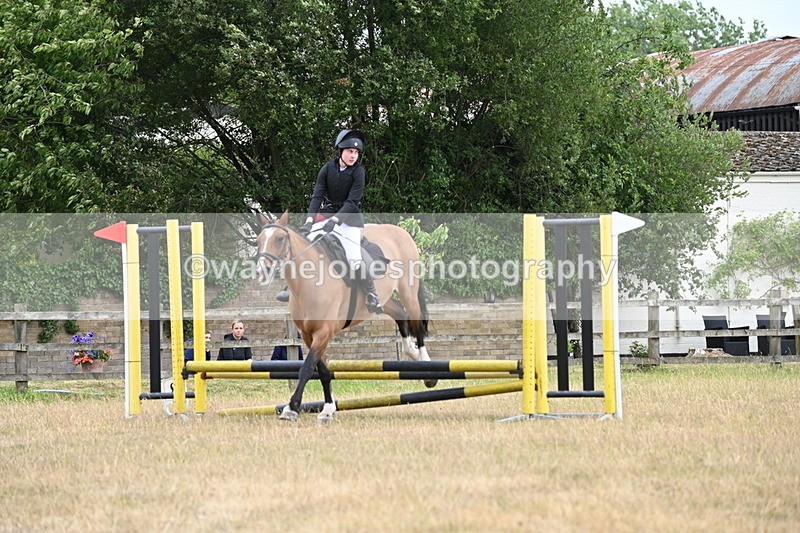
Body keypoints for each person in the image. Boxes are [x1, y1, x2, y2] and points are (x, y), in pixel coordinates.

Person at [276, 128, 382, 313]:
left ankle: (372, 294)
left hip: (349, 219)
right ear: (340, 151)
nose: (353, 155)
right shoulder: (327, 168)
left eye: (356, 152)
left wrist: (335, 220)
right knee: (305, 246)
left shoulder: (359, 173)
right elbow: (317, 196)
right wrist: (309, 220)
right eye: (350, 151)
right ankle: (290, 289)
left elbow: (352, 202)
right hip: (326, 216)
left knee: (353, 258)